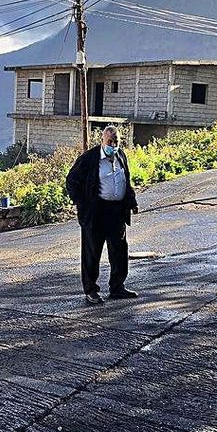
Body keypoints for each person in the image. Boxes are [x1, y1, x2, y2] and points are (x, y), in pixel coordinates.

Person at [66, 126, 139, 305]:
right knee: (92, 253)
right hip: (96, 213)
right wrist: (82, 204)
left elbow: (125, 182)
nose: (113, 145)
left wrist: (132, 201)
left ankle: (117, 287)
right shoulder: (89, 159)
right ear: (102, 141)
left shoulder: (121, 156)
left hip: (117, 213)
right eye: (110, 142)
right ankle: (91, 290)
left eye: (116, 142)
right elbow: (72, 181)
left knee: (119, 251)